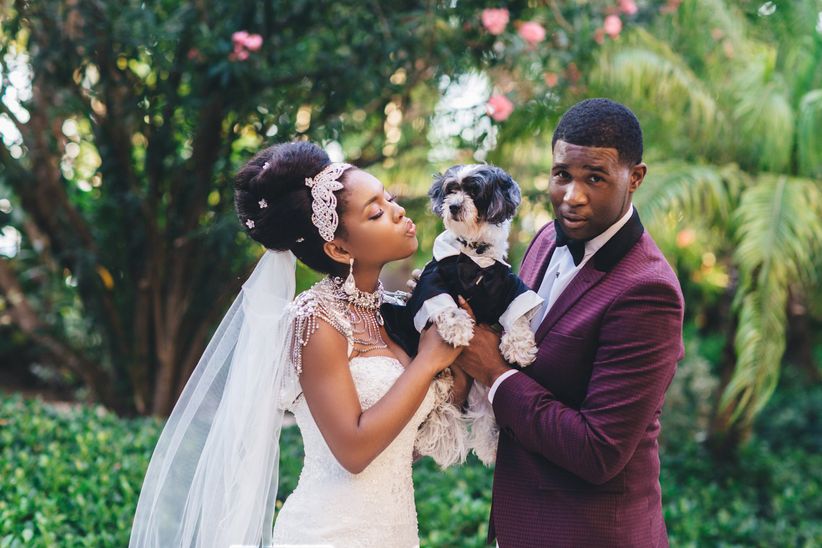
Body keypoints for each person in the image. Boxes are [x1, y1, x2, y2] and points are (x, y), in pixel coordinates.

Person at [129, 141, 470, 548]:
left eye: (389, 198)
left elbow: (401, 442)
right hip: (327, 534)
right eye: (376, 212)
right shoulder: (317, 321)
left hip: (395, 531)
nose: (398, 212)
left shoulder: (396, 312)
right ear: (338, 248)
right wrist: (428, 362)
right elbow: (354, 451)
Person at [454, 98, 685, 547]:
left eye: (594, 178)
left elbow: (598, 451)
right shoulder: (545, 238)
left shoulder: (649, 292)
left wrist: (493, 373)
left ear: (635, 178)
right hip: (521, 523)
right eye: (562, 175)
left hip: (591, 533)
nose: (571, 196)